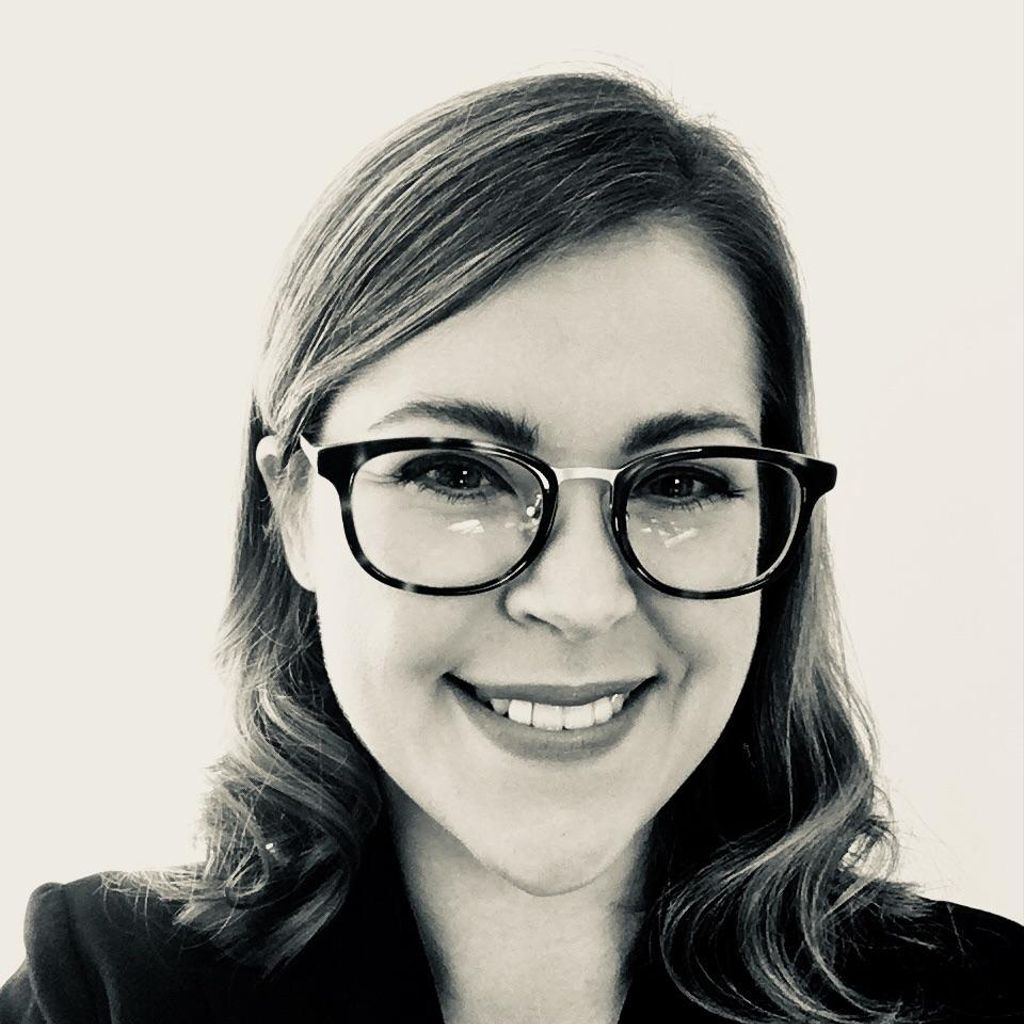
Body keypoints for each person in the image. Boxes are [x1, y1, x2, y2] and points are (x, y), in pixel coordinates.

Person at [1, 69, 1020, 1024]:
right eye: (456, 472)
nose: (580, 598)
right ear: (292, 508)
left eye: (681, 481)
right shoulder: (102, 990)